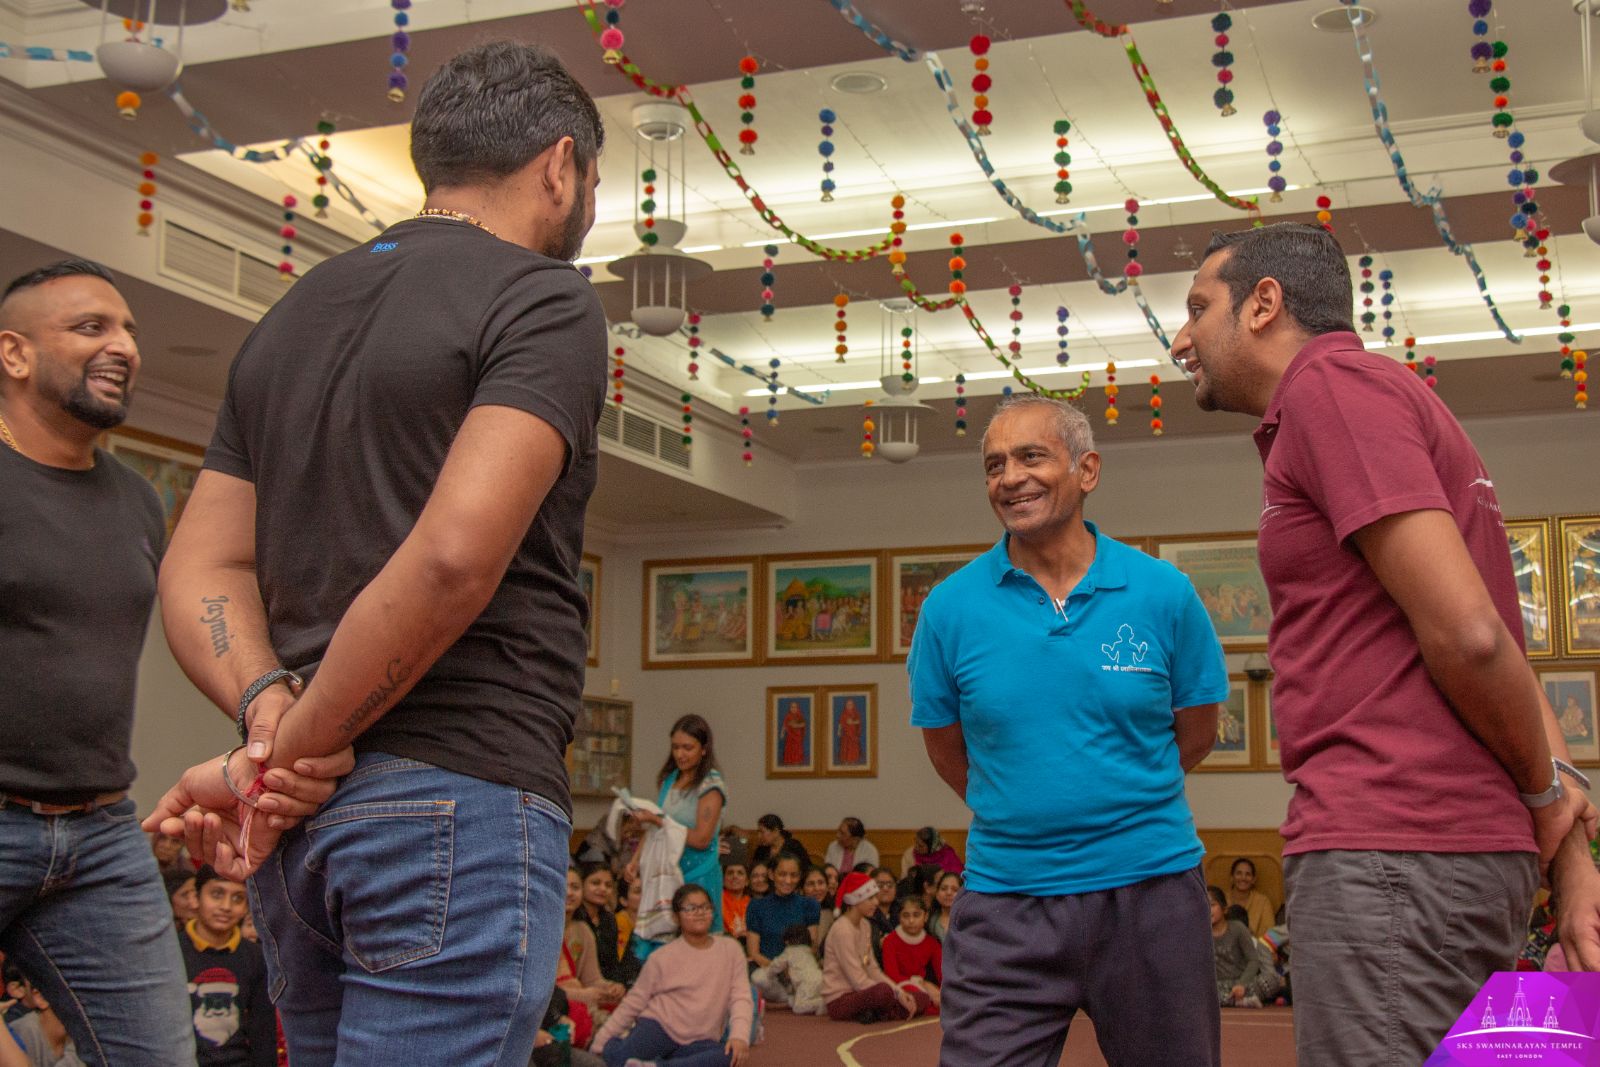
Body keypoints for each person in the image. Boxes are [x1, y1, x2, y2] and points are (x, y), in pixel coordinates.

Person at [142, 40, 609, 1066]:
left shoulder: (289, 316)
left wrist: (268, 720)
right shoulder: (545, 297)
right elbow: (449, 560)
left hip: (302, 827)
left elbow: (200, 568)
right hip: (456, 795)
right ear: (561, 165)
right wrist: (299, 740)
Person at [1174, 221, 1600, 1064]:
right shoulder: (1378, 397)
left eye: (1197, 307)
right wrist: (1572, 851)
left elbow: (1475, 639)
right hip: (1444, 852)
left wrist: (1554, 804)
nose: (1181, 337)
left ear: (1265, 304)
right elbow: (1493, 635)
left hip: (1393, 854)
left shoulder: (1332, 391)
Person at [0, 258, 341, 1067]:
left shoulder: (136, 500)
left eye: (128, 331)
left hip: (100, 835)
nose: (123, 346)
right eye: (92, 328)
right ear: (12, 354)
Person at [910, 395, 1230, 1067]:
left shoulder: (1163, 593)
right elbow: (947, 750)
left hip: (1152, 895)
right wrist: (1029, 806)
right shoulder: (949, 609)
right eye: (995, 464)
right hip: (1006, 904)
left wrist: (1117, 800)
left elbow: (1195, 733)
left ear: (1087, 469)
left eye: (1031, 456)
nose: (1010, 477)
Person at [590, 885, 752, 1067]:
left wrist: (740, 1037)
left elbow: (741, 997)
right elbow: (634, 1002)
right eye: (690, 908)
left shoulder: (731, 949)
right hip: (659, 1027)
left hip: (700, 1038)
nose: (699, 913)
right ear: (676, 916)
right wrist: (600, 1043)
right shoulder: (661, 957)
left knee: (729, 1057)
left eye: (705, 907)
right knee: (613, 1058)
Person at [627, 714, 727, 948]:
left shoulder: (710, 785)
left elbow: (702, 839)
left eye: (688, 748)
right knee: (663, 943)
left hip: (697, 874)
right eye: (676, 747)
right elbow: (656, 826)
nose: (680, 754)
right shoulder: (670, 779)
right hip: (665, 873)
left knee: (696, 946)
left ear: (704, 749)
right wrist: (635, 860)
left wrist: (659, 821)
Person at [178, 867, 274, 1066]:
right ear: (195, 898)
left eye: (238, 898)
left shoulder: (255, 957)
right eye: (216, 894)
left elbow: (263, 1032)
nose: (226, 906)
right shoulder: (172, 951)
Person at [822, 873, 932, 1024]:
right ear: (855, 900)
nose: (876, 902)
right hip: (841, 998)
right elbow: (857, 979)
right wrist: (895, 994)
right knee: (883, 992)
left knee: (921, 997)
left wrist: (900, 992)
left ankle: (878, 1013)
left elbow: (873, 969)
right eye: (870, 898)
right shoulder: (842, 930)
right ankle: (886, 1011)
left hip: (864, 992)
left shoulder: (866, 925)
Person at [743, 855, 819, 968]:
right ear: (771, 874)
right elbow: (753, 953)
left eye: (794, 875)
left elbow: (812, 948)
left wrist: (793, 971)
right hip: (766, 972)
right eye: (782, 874)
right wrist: (778, 970)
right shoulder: (756, 906)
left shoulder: (809, 905)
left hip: (800, 972)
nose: (788, 880)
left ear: (800, 876)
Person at [573, 863, 638, 987]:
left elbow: (613, 964)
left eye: (608, 885)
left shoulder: (609, 920)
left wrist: (617, 987)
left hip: (605, 985)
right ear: (582, 884)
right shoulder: (574, 918)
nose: (603, 889)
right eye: (595, 883)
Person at [880, 896, 943, 1013]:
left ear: (926, 916)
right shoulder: (890, 941)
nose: (911, 921)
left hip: (923, 987)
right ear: (899, 917)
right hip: (899, 986)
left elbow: (943, 973)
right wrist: (921, 984)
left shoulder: (931, 943)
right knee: (921, 997)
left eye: (916, 915)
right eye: (906, 916)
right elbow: (892, 975)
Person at [1207, 887, 1261, 1010]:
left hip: (1242, 982)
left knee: (1270, 980)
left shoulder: (1238, 928)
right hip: (1219, 985)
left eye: (1212, 905)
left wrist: (1242, 984)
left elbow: (1253, 961)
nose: (1207, 909)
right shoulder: (1201, 934)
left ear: (1224, 909)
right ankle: (1238, 1002)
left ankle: (1236, 998)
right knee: (1202, 992)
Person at [1223, 858, 1273, 939]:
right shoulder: (1222, 899)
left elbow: (1269, 935)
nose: (1243, 878)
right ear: (1232, 877)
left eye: (1248, 874)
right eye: (1239, 873)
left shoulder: (1263, 902)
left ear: (1253, 879)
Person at [899, 828, 963, 877]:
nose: (916, 847)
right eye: (915, 842)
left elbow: (958, 877)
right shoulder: (910, 854)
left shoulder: (948, 854)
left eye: (920, 846)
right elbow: (905, 879)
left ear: (932, 847)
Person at [928, 872, 963, 943]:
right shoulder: (930, 921)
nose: (949, 893)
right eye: (943, 889)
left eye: (955, 890)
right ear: (937, 894)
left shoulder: (970, 920)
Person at [721, 862, 751, 941]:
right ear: (723, 880)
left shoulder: (754, 905)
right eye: (730, 873)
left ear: (747, 881)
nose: (735, 876)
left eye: (740, 873)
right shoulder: (716, 902)